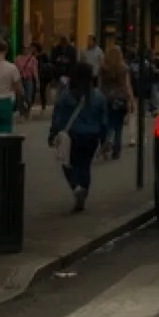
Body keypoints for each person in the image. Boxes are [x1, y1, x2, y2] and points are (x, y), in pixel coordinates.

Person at [49, 61, 107, 210]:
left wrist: (53, 133)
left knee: (67, 164)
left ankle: (76, 187)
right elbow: (103, 120)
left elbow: (58, 116)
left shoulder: (66, 96)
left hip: (72, 135)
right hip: (92, 135)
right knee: (85, 165)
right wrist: (104, 139)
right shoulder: (98, 96)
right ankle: (83, 191)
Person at [99, 43, 133, 160]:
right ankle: (116, 151)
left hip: (106, 98)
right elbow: (126, 85)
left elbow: (100, 85)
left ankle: (107, 141)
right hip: (120, 98)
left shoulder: (103, 67)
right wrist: (131, 100)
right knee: (118, 126)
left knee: (108, 123)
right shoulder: (123, 68)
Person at [15, 40, 40, 118]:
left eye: (27, 48)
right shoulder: (17, 58)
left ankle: (28, 110)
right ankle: (22, 112)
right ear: (22, 49)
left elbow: (35, 71)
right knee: (20, 97)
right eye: (24, 48)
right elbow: (15, 70)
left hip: (29, 79)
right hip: (20, 79)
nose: (26, 50)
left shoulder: (33, 59)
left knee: (28, 97)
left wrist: (37, 81)